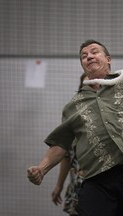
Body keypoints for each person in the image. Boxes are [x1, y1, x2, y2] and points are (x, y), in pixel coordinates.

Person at [27, 23, 123, 216]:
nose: (89, 56)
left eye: (94, 52)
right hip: (96, 179)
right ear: (83, 66)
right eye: (84, 56)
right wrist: (42, 168)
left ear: (108, 59)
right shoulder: (73, 105)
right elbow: (60, 145)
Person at [51, 73, 88, 216]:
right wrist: (59, 185)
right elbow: (66, 155)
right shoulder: (73, 117)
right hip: (77, 187)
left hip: (103, 188)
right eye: (85, 87)